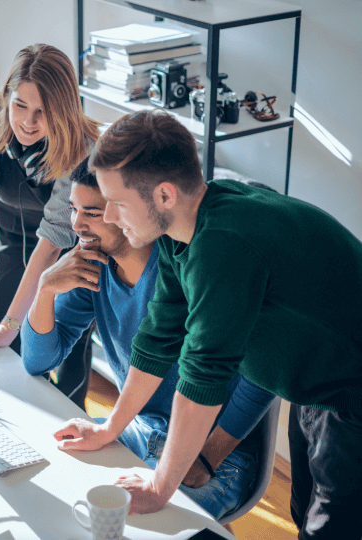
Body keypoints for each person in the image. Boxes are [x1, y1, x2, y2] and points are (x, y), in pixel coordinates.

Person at [58, 109, 362, 539]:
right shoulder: (182, 233)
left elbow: (203, 377)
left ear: (164, 195)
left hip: (351, 394)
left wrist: (161, 487)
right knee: (304, 514)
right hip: (315, 387)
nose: (108, 217)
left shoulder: (223, 246)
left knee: (331, 530)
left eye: (117, 203)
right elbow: (157, 340)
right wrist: (111, 428)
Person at [23, 158, 275, 520]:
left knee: (143, 526)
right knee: (54, 486)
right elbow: (38, 360)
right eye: (75, 210)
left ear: (128, 210)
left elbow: (264, 371)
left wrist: (206, 457)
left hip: (213, 448)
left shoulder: (190, 269)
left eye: (92, 212)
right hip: (139, 429)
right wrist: (46, 288)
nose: (77, 225)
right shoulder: (92, 266)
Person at [0, 44, 101, 400]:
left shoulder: (83, 147)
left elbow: (53, 241)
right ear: (7, 96)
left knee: (57, 342)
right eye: (20, 106)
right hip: (11, 236)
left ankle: (69, 413)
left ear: (62, 111)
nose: (28, 123)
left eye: (42, 112)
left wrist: (11, 326)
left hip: (68, 249)